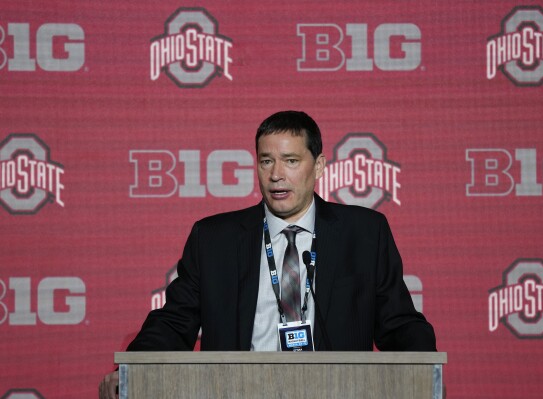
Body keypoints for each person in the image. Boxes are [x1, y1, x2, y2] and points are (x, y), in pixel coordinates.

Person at [99, 110, 436, 398]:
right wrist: (131, 370)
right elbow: (173, 323)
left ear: (318, 166)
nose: (276, 175)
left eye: (291, 161)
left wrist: (427, 372)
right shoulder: (215, 239)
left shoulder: (364, 233)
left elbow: (399, 323)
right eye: (266, 161)